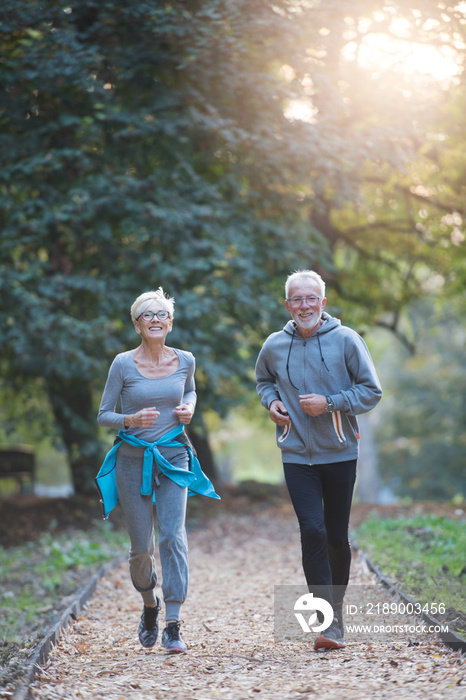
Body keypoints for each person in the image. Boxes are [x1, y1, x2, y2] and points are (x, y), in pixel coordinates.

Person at [255, 270, 382, 651]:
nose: (305, 305)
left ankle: (337, 613)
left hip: (340, 452)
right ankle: (328, 622)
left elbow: (371, 391)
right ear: (288, 305)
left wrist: (330, 404)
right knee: (312, 530)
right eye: (297, 299)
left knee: (336, 535)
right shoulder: (275, 345)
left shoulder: (346, 340)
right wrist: (272, 402)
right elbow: (263, 381)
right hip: (295, 454)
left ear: (323, 303)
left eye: (311, 298)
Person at [96, 287, 219, 654]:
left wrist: (189, 407)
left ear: (170, 322)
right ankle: (151, 605)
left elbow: (191, 391)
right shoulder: (122, 364)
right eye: (147, 315)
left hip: (175, 459)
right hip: (133, 461)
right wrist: (130, 419)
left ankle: (173, 623)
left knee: (173, 536)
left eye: (161, 314)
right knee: (141, 548)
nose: (155, 319)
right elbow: (104, 415)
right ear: (137, 325)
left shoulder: (185, 360)